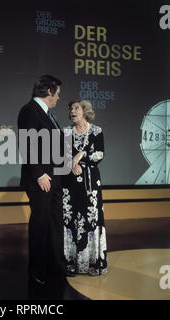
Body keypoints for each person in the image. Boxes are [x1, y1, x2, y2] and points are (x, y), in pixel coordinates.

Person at [17, 74, 67, 285]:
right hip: (41, 180)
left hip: (55, 178)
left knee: (55, 223)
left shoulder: (48, 114)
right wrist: (38, 174)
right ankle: (37, 270)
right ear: (48, 92)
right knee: (41, 224)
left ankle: (55, 266)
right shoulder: (30, 111)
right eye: (57, 94)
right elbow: (26, 144)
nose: (58, 99)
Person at [62, 99, 107, 276]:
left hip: (90, 185)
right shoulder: (65, 132)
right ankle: (70, 263)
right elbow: (61, 155)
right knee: (70, 220)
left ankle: (92, 263)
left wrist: (82, 155)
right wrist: (72, 164)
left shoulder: (97, 131)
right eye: (70, 108)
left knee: (91, 220)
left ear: (85, 111)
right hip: (69, 183)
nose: (72, 111)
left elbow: (100, 154)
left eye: (75, 108)